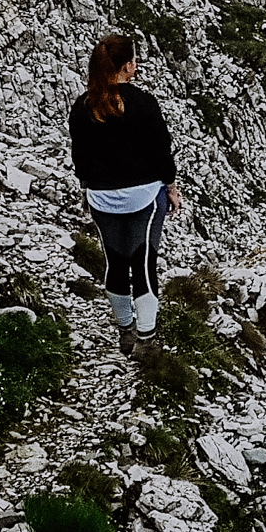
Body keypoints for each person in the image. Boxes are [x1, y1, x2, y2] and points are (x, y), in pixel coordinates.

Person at [68, 32, 185, 356]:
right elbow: (163, 153)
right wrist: (171, 188)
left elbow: (80, 157)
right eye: (133, 61)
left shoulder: (83, 107)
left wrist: (88, 189)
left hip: (101, 198)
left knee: (116, 262)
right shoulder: (144, 104)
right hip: (143, 197)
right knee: (143, 262)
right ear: (127, 67)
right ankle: (146, 340)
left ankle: (125, 331)